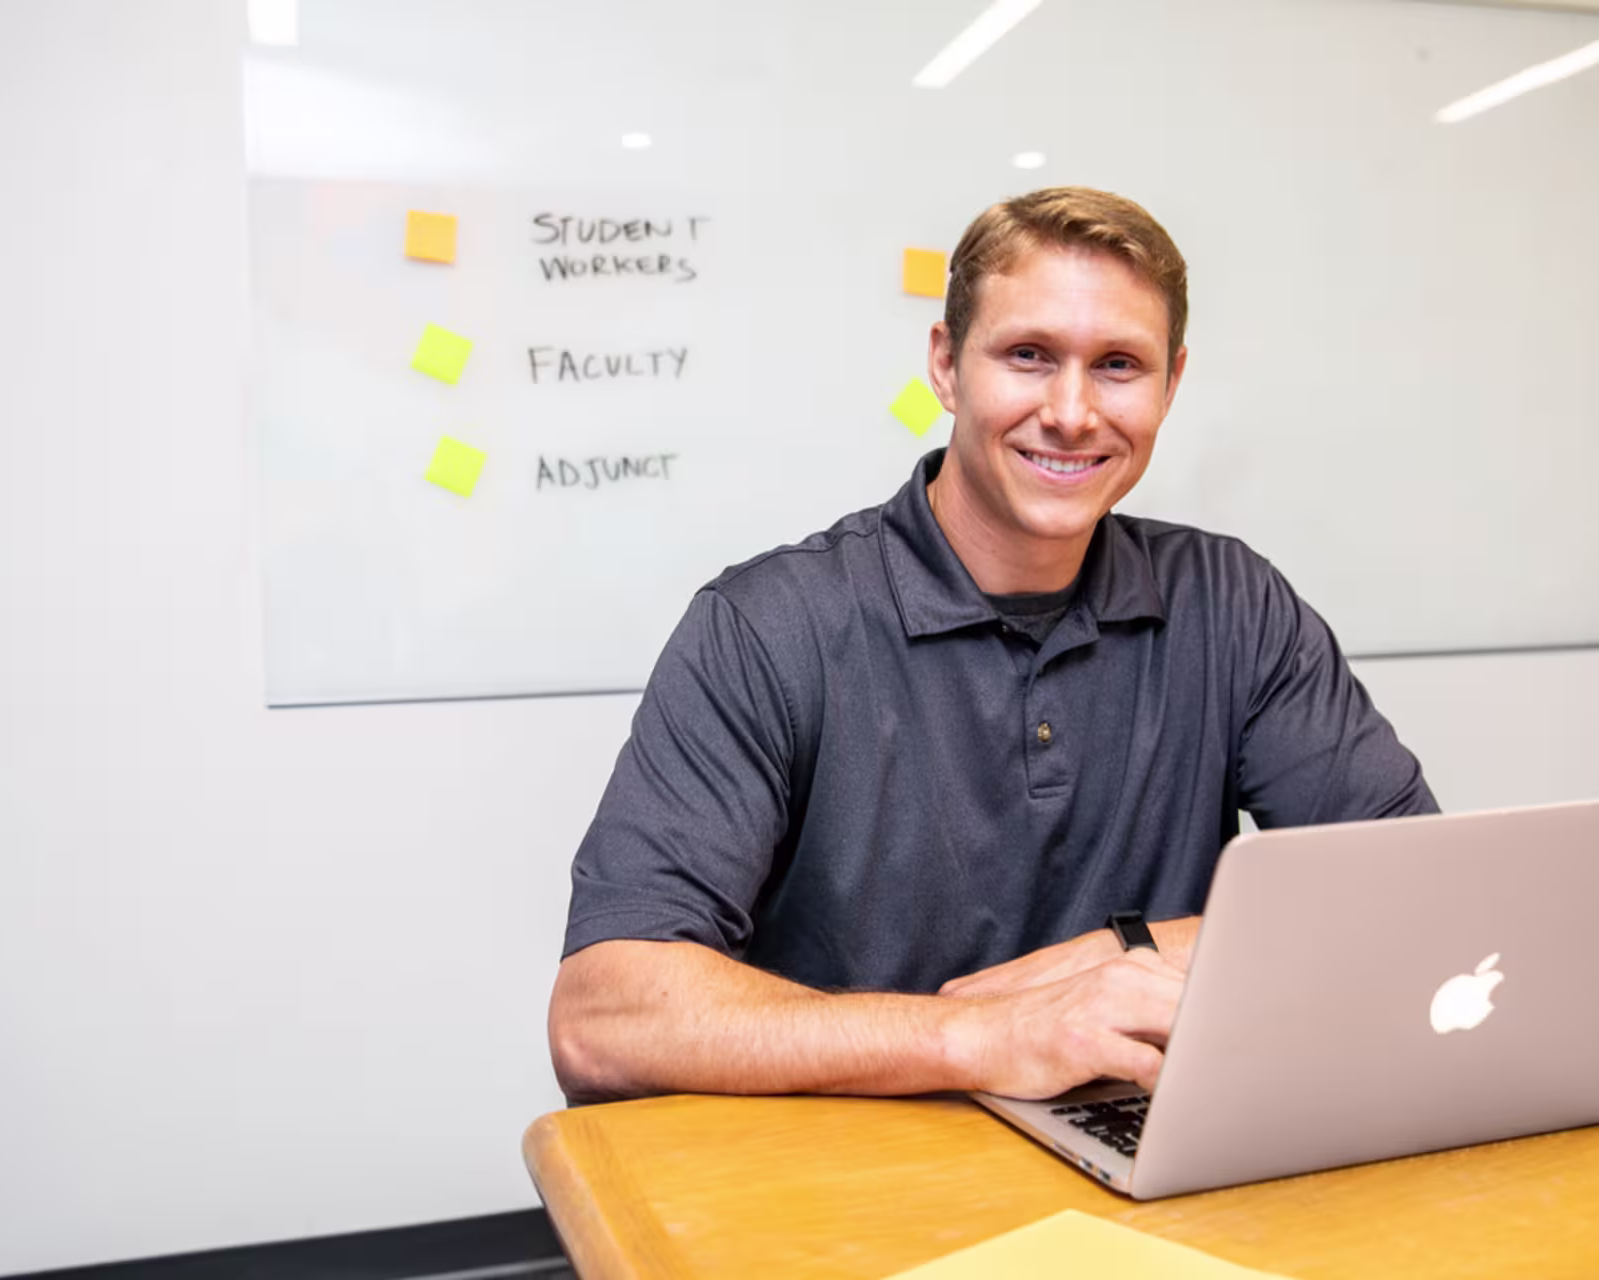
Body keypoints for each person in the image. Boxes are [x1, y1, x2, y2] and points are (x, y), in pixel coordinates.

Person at [548, 187, 1436, 1105]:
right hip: (857, 1169)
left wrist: (1127, 953)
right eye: (1028, 355)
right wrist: (983, 1036)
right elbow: (603, 1018)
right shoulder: (769, 627)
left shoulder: (1233, 605)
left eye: (1119, 365)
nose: (1072, 411)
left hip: (1149, 1153)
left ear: (1171, 385)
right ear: (946, 364)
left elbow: (1421, 900)